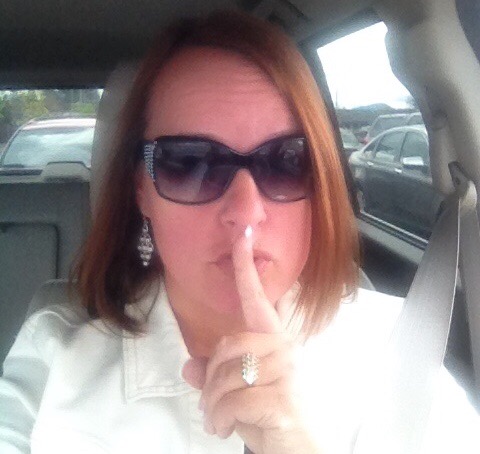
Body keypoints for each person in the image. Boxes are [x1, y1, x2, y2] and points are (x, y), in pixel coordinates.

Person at [0, 10, 478, 454]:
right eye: (190, 164)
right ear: (141, 191)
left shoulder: (401, 351)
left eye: (286, 163)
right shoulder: (53, 366)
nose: (246, 213)